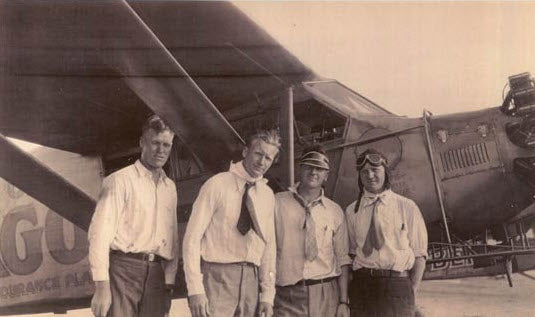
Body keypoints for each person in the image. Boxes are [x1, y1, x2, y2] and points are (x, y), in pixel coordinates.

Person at [182, 129, 281, 317]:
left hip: (251, 282)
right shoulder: (216, 185)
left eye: (268, 158)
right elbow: (192, 239)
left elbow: (270, 247)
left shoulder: (267, 195)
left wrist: (267, 295)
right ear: (245, 152)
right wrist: (195, 289)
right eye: (258, 154)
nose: (262, 162)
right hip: (217, 278)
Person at [88, 115, 178, 317]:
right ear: (142, 143)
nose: (161, 150)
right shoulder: (119, 181)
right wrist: (102, 287)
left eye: (167, 144)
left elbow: (173, 238)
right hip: (123, 271)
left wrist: (169, 283)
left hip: (156, 274)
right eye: (155, 143)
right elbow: (99, 234)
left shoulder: (169, 187)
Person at [345, 149, 427, 317]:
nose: (370, 175)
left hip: (398, 287)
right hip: (363, 288)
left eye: (375, 170)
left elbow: (420, 255)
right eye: (364, 172)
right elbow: (351, 253)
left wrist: (410, 292)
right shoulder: (351, 211)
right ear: (359, 177)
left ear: (385, 172)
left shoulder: (407, 206)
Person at [274, 146, 351, 317]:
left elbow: (342, 259)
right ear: (300, 169)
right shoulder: (277, 203)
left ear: (326, 176)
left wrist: (343, 301)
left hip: (325, 293)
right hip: (286, 295)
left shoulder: (334, 210)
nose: (314, 172)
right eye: (309, 166)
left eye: (320, 168)